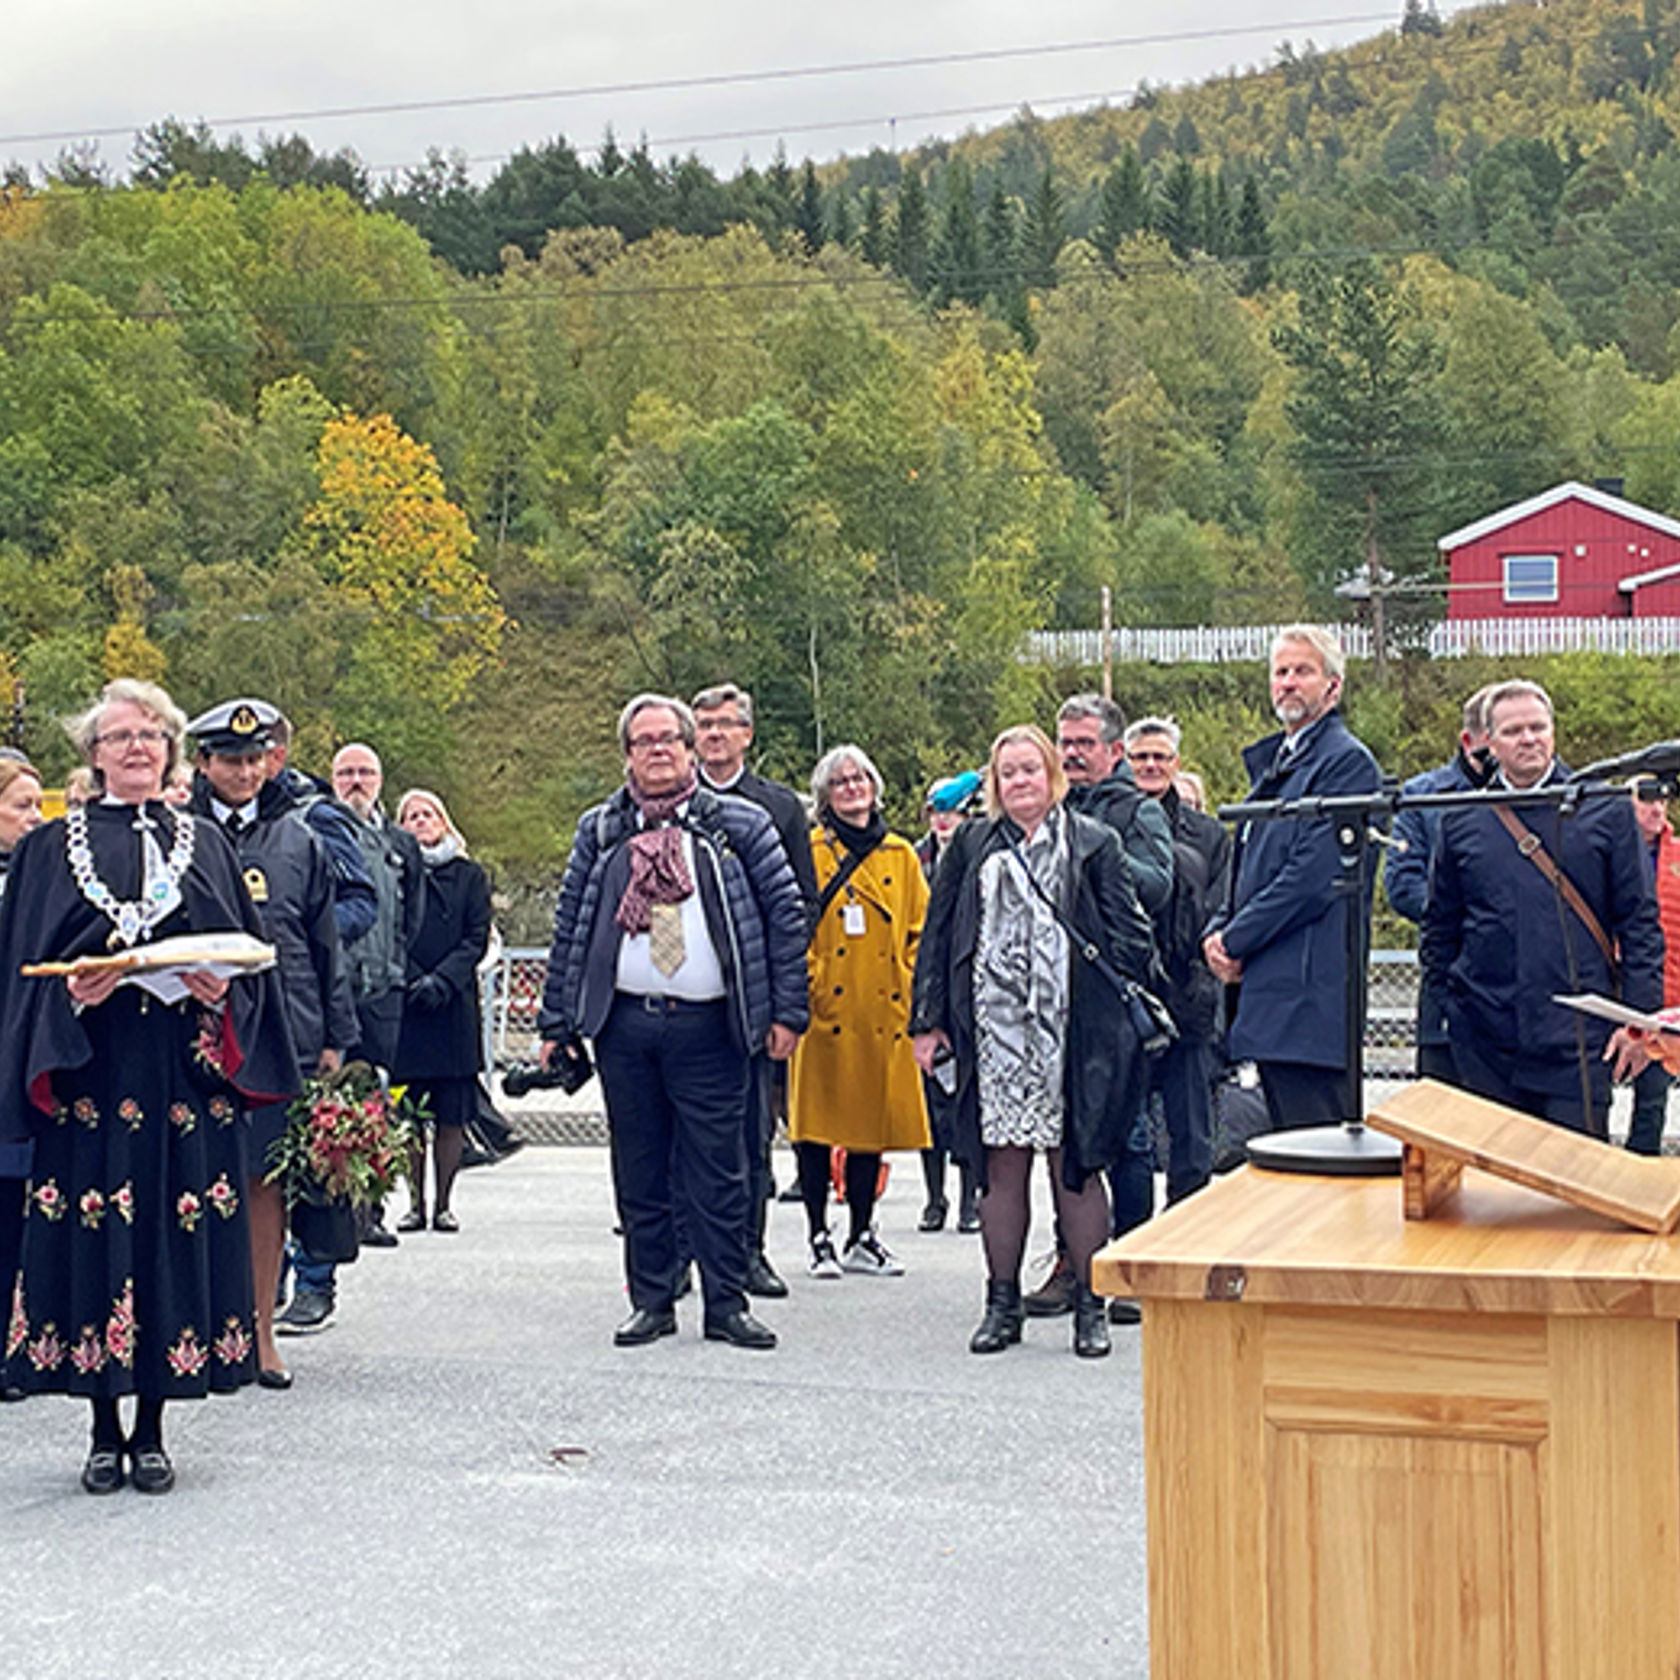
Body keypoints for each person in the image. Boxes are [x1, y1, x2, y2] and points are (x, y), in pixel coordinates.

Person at [0, 679, 295, 1494]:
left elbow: (249, 955)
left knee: (168, 1239)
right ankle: (101, 1428)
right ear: (93, 754)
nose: (137, 747)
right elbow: (19, 970)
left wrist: (219, 990)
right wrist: (68, 993)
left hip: (180, 1078)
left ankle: (156, 1426)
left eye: (151, 737)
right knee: (95, 1241)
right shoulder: (47, 850)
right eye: (121, 736)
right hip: (90, 1076)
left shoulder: (205, 841)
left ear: (168, 752)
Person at [536, 694, 808, 1351]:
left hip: (712, 1025)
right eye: (643, 741)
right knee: (640, 1166)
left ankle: (726, 1303)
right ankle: (652, 1300)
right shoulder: (601, 829)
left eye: (669, 739)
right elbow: (571, 923)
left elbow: (785, 918)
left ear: (691, 749)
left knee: (720, 1169)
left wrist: (788, 1011)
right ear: (627, 754)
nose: (658, 751)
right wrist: (555, 1020)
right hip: (625, 1025)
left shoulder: (738, 825)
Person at [911, 725, 1156, 1359]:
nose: (1020, 781)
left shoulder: (1094, 842)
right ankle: (1001, 1303)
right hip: (993, 1033)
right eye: (1008, 772)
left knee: (1074, 1166)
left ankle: (1089, 1308)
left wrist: (1106, 1011)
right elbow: (936, 936)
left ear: (1052, 775)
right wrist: (927, 1021)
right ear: (994, 784)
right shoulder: (970, 844)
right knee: (1001, 1166)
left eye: (1030, 769)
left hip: (1072, 1033)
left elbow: (1133, 939)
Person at [188, 698, 358, 1373]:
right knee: (198, 1186)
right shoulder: (179, 835)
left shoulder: (299, 839)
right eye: (230, 759)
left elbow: (325, 946)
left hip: (284, 1033)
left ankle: (260, 1334)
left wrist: (336, 1039)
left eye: (255, 758)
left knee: (265, 1188)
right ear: (204, 764)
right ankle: (200, 1332)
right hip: (197, 1034)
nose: (244, 770)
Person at [1422, 680, 1662, 1137]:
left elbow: (1639, 922)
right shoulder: (1461, 817)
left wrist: (1639, 1022)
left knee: (1575, 1184)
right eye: (1513, 731)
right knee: (1492, 1192)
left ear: (1554, 731)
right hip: (1486, 1038)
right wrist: (1446, 1010)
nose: (1528, 738)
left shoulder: (1604, 808)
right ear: (1488, 743)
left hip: (1577, 1040)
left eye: (1538, 727)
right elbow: (1440, 927)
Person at [1024, 693, 1171, 1318]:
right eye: (1066, 742)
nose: (1073, 753)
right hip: (1053, 1002)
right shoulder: (1043, 810)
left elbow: (1161, 886)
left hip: (1113, 995)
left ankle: (1131, 1260)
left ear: (1114, 751)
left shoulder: (1134, 812)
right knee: (1066, 1137)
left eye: (1085, 743)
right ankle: (1072, 1260)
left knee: (1130, 1137)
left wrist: (1096, 848)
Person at [1203, 626, 1383, 1132]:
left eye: (1302, 671)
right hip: (1272, 993)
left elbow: (1311, 877)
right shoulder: (1278, 766)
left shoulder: (1345, 763)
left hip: (1309, 998)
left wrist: (1236, 939)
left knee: (1318, 1153)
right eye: (1280, 672)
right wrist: (1217, 931)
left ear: (1333, 684)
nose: (1287, 683)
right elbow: (1245, 867)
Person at [692, 682, 816, 1298]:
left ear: (747, 733)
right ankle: (683, 1255)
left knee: (749, 1134)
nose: (713, 734)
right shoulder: (670, 801)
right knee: (681, 1136)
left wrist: (785, 1003)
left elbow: (801, 906)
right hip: (683, 994)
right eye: (704, 724)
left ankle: (749, 1252)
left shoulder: (780, 808)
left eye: (724, 724)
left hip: (751, 998)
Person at [788, 745, 930, 1279]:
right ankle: (818, 1234)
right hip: (826, 1008)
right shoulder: (810, 850)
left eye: (859, 778)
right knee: (817, 1125)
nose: (852, 788)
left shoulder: (900, 854)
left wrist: (912, 985)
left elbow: (921, 926)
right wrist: (812, 980)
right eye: (840, 781)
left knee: (870, 1124)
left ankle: (863, 1234)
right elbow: (792, 919)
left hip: (883, 1004)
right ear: (825, 794)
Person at [1125, 716, 1231, 1205]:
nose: (1150, 765)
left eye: (1159, 757)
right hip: (1128, 999)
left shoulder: (1209, 834)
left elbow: (1222, 906)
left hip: (1189, 997)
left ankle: (1185, 1238)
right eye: (1140, 757)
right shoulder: (1112, 824)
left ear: (1176, 764)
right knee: (1128, 1136)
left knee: (1192, 1136)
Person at [392, 789, 492, 1235]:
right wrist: (413, 977)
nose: (420, 821)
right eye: (411, 815)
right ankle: (414, 1202)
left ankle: (445, 1204)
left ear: (444, 820)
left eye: (428, 813)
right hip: (408, 1003)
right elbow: (389, 931)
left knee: (450, 1113)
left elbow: (476, 935)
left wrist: (444, 979)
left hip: (453, 1003)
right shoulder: (394, 873)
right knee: (411, 1113)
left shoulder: (470, 875)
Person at [1383, 686, 1496, 1082]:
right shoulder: (1424, 797)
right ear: (1471, 741)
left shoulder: (1556, 794)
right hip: (1450, 986)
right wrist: (1473, 914)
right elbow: (1401, 884)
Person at [914, 771, 982, 1233]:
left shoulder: (981, 852)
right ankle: (933, 1197)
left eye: (950, 810)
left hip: (969, 990)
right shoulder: (915, 858)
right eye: (936, 810)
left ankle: (968, 1200)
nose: (942, 820)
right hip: (925, 987)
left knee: (966, 1100)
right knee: (929, 1102)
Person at [0, 757, 43, 1404]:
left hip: (15, 1060)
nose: (37, 819)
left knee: (13, 1210)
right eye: (23, 807)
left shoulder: (34, 878)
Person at [1627, 779, 1680, 1154]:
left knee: (1653, 1097)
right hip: (1613, 988)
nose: (1656, 810)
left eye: (1662, 802)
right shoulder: (1605, 854)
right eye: (1645, 802)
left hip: (1667, 995)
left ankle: (1644, 1166)